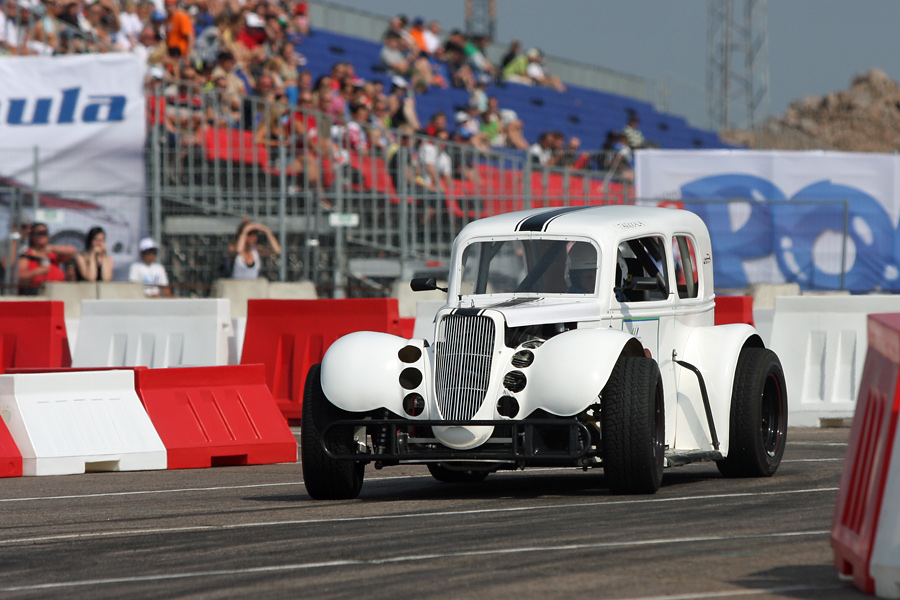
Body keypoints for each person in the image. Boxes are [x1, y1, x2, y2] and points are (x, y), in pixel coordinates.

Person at [16, 223, 77, 296]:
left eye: (44, 233)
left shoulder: (52, 254)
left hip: (57, 291)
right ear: (32, 236)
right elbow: (19, 276)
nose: (42, 236)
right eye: (39, 233)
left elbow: (72, 251)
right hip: (36, 292)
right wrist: (37, 271)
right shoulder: (27, 255)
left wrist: (52, 248)